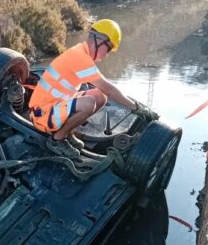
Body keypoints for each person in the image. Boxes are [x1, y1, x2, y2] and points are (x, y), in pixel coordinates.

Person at [28, 19, 157, 158]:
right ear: (99, 41)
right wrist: (136, 107)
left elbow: (105, 92)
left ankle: (66, 133)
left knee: (100, 96)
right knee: (89, 102)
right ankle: (57, 140)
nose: (106, 55)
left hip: (55, 105)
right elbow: (109, 89)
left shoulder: (80, 52)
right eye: (108, 49)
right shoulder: (79, 57)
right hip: (42, 115)